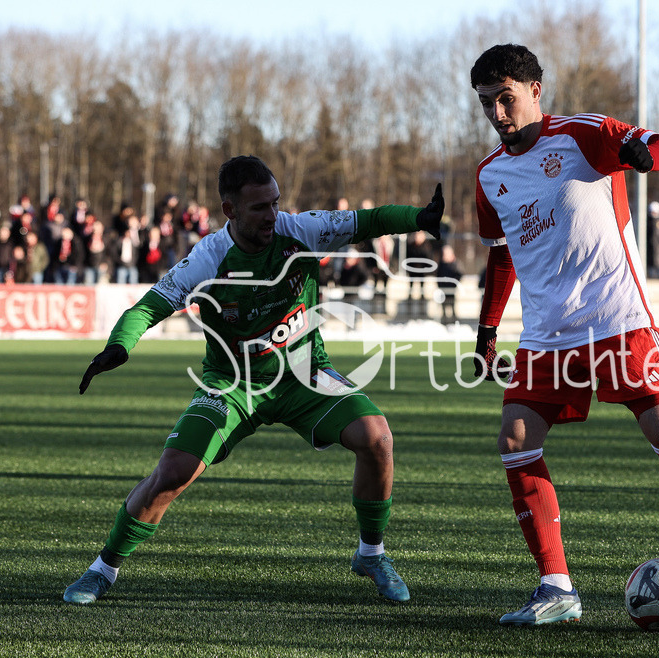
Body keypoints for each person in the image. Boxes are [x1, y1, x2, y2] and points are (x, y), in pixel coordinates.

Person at [63, 155, 445, 607]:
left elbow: (368, 221)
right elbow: (147, 308)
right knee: (173, 473)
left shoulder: (300, 230)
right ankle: (103, 569)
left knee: (377, 437)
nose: (273, 215)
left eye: (276, 203)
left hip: (305, 373)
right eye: (261, 207)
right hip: (232, 385)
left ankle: (372, 554)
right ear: (230, 210)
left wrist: (419, 217)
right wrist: (118, 346)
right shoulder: (207, 259)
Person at [469, 44, 659, 627]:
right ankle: (556, 586)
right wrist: (487, 330)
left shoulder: (584, 134)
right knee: (515, 439)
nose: (497, 113)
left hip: (617, 317)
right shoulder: (491, 175)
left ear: (536, 90)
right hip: (546, 332)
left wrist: (641, 153)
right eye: (487, 103)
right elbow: (502, 256)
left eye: (506, 98)